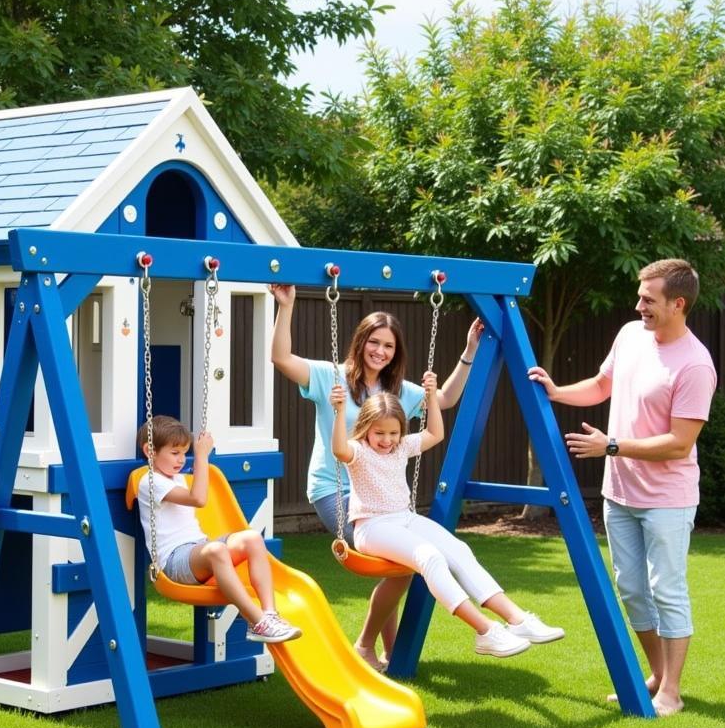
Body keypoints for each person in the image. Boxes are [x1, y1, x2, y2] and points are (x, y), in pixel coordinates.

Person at [528, 259, 716, 716]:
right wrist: (556, 391)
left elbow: (679, 443)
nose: (639, 306)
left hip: (667, 499)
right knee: (631, 588)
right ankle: (655, 674)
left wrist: (611, 446)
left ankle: (672, 691)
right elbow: (601, 384)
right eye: (640, 296)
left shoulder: (695, 365)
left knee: (666, 589)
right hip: (621, 493)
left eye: (648, 299)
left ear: (678, 303)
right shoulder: (631, 336)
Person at [269, 282, 482, 670]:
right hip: (334, 488)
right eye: (375, 342)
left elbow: (445, 400)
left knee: (402, 562)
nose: (380, 351)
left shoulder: (396, 390)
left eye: (389, 346)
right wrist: (286, 306)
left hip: (381, 495)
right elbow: (281, 358)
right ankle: (366, 644)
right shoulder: (330, 377)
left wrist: (468, 353)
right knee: (402, 563)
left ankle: (390, 650)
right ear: (361, 341)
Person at [330, 380, 564, 658]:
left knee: (458, 549)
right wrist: (340, 410)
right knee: (430, 557)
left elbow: (435, 433)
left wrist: (431, 398)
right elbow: (339, 450)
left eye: (393, 433)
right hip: (372, 526)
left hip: (404, 518)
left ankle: (518, 620)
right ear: (366, 427)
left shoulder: (401, 447)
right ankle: (486, 631)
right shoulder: (358, 450)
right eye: (379, 432)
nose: (387, 440)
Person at [137, 415, 301, 644]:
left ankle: (270, 613)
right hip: (174, 561)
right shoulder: (150, 482)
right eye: (175, 453)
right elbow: (198, 498)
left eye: (185, 453)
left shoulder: (176, 479)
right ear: (150, 450)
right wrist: (201, 456)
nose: (181, 460)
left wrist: (197, 462)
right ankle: (257, 622)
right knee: (216, 551)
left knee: (252, 538)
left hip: (197, 550)